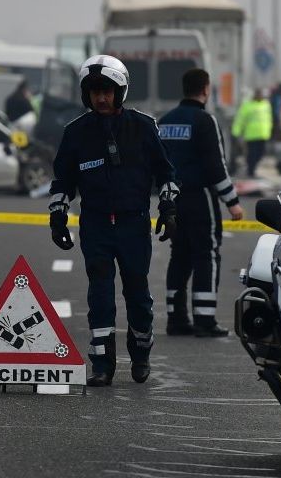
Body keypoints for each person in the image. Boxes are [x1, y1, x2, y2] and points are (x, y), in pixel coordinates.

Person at [48, 55, 179, 387]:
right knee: (100, 295)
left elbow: (166, 173)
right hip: (94, 225)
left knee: (137, 293)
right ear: (85, 95)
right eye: (94, 92)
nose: (100, 98)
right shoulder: (75, 133)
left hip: (133, 224)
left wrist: (169, 208)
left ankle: (141, 354)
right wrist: (58, 216)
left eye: (106, 91)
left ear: (120, 91)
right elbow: (62, 180)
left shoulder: (144, 126)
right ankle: (102, 364)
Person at [158, 69, 244, 337]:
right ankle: (205, 320)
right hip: (199, 197)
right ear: (206, 89)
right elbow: (216, 166)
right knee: (206, 254)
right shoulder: (205, 120)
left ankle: (176, 318)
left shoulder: (164, 122)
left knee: (179, 254)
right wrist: (233, 202)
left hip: (171, 198)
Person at [232, 88, 273, 177]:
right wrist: (236, 131)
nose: (259, 96)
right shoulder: (247, 105)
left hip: (263, 134)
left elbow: (269, 119)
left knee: (260, 154)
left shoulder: (266, 105)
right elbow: (240, 119)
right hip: (251, 135)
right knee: (252, 154)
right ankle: (251, 171)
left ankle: (252, 169)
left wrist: (270, 131)